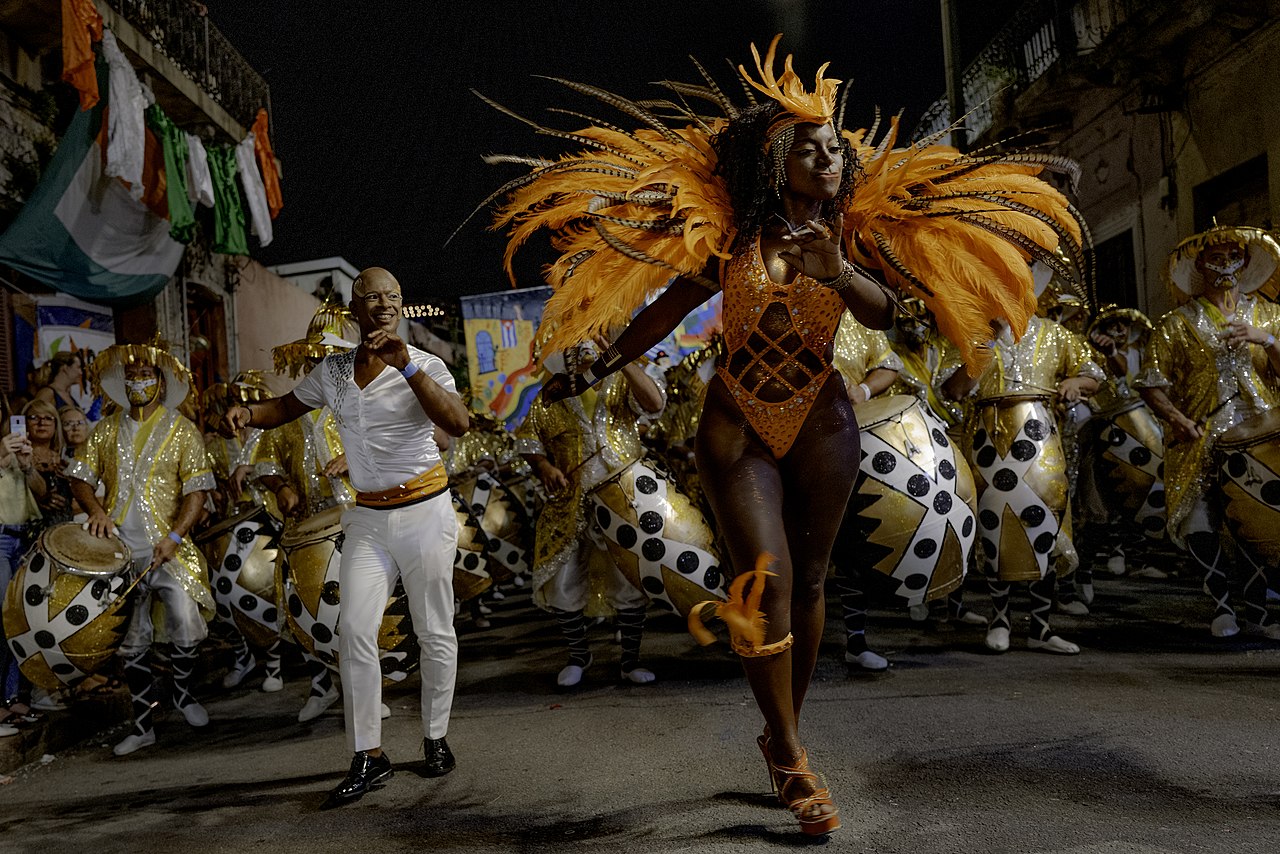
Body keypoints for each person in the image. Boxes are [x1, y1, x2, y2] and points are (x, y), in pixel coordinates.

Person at [480, 36, 1083, 836]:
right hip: (735, 424)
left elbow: (887, 316)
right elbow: (659, 313)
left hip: (824, 421)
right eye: (810, 148)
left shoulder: (853, 239)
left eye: (836, 148)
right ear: (774, 159)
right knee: (765, 578)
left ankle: (779, 734)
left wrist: (837, 270)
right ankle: (796, 758)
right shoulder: (728, 240)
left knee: (811, 584)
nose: (828, 159)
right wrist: (591, 371)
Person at [225, 267, 469, 806]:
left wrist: (407, 366)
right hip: (367, 520)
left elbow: (458, 422)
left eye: (393, 297)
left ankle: (435, 737)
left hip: (426, 511)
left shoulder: (425, 363)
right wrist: (248, 413)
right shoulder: (334, 372)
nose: (383, 305)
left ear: (400, 306)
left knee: (433, 629)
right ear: (354, 307)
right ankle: (368, 754)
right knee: (354, 630)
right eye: (373, 297)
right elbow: (286, 408)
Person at [66, 344, 215, 756]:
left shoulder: (182, 429)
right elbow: (79, 477)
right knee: (131, 641)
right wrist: (96, 510)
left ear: (162, 382)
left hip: (168, 549)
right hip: (116, 552)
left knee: (185, 622)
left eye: (146, 374)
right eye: (131, 377)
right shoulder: (105, 429)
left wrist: (176, 537)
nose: (138, 382)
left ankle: (183, 694)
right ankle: (144, 723)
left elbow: (197, 490)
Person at [1136, 224, 1280, 639]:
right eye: (1215, 257)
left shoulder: (1268, 314)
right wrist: (1177, 420)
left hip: (1260, 438)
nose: (1226, 264)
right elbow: (1150, 382)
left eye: (1233, 255)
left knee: (1253, 520)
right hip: (1199, 438)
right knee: (1199, 521)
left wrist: (1265, 339)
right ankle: (1220, 605)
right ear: (1200, 265)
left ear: (1247, 261)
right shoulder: (1176, 323)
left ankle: (1257, 610)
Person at [943, 312, 1103, 655]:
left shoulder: (1054, 332)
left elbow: (1094, 375)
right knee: (995, 526)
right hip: (990, 435)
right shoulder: (970, 330)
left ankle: (1041, 628)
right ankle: (999, 620)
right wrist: (984, 346)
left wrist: (1076, 383)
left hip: (1042, 434)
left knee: (1047, 519)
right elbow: (953, 389)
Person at [516, 338, 664, 687]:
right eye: (573, 345)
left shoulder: (620, 382)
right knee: (563, 582)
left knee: (628, 581)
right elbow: (528, 441)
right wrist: (543, 468)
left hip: (624, 502)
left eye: (590, 343)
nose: (582, 350)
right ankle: (579, 657)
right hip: (569, 504)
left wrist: (622, 358)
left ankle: (630, 662)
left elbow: (655, 403)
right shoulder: (549, 395)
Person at [253, 303, 358, 723]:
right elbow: (265, 463)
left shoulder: (359, 401)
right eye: (313, 356)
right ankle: (321, 686)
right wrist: (280, 487)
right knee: (304, 607)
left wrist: (355, 457)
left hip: (355, 521)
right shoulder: (291, 409)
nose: (318, 363)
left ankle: (363, 689)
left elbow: (396, 444)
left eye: (327, 356)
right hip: (304, 529)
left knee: (355, 610)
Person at [829, 314, 900, 671]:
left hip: (846, 444)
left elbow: (889, 365)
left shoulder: (859, 322)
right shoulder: (780, 305)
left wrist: (865, 390)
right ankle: (773, 642)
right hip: (784, 447)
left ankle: (856, 641)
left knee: (851, 547)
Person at [0, 402, 45, 734]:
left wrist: (28, 466)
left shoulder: (11, 444)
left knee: (17, 624)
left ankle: (11, 698)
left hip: (23, 538)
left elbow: (41, 493)